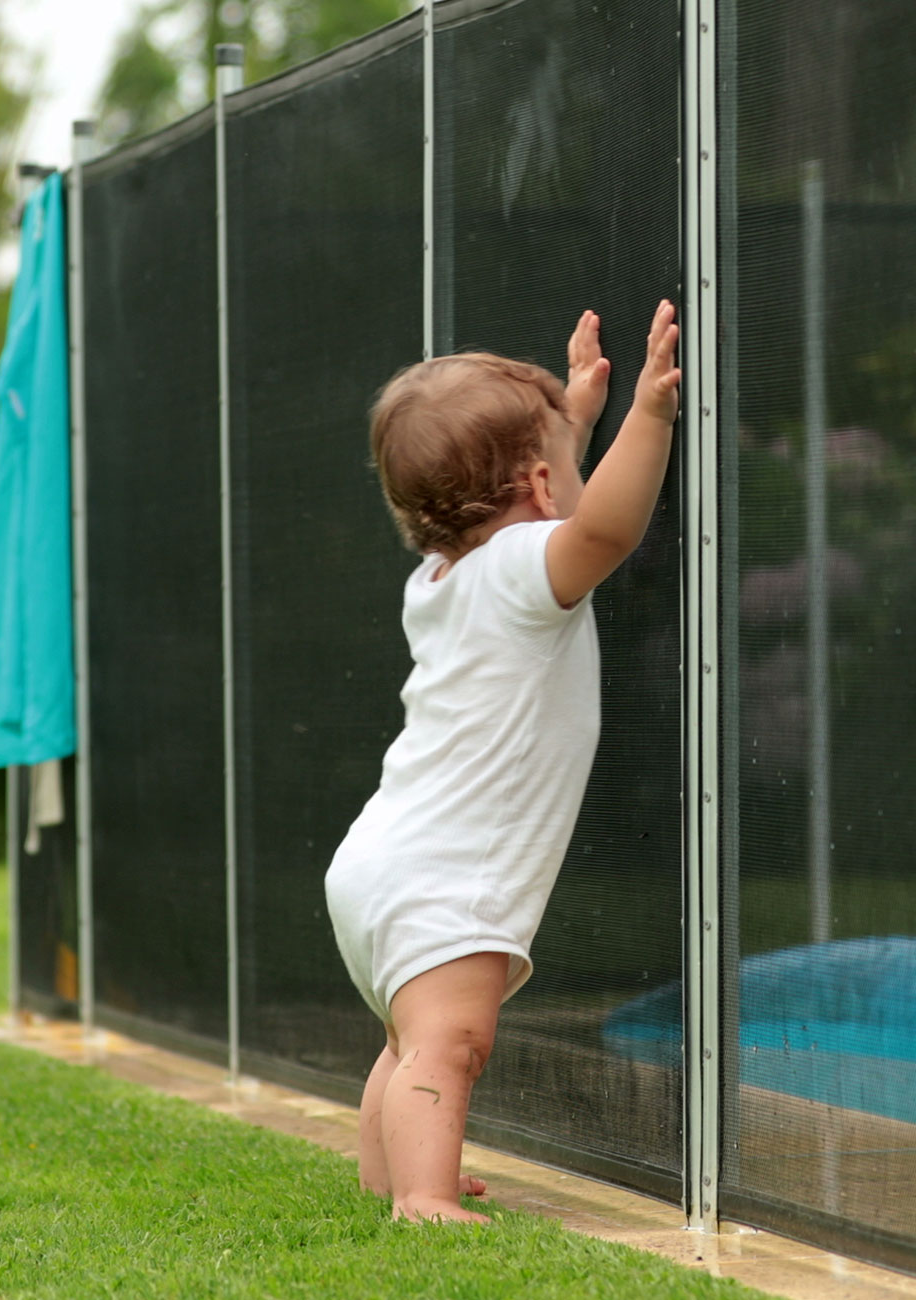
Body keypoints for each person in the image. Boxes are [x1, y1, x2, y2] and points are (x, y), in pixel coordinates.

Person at [323, 301, 681, 1224]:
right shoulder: (526, 568)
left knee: (411, 1044)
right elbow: (602, 530)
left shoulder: (442, 582)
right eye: (566, 460)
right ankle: (425, 1197)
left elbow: (555, 501)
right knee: (450, 1045)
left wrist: (573, 426)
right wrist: (647, 417)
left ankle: (392, 1172)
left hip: (381, 865)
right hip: (444, 876)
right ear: (539, 489)